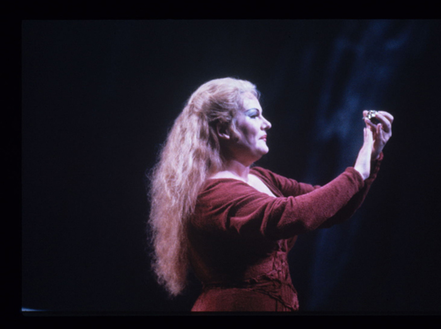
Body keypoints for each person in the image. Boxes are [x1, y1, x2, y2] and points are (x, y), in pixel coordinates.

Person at [147, 77, 393, 312]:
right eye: (254, 115)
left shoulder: (262, 178)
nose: (267, 123)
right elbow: (291, 214)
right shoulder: (210, 195)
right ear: (223, 129)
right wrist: (357, 172)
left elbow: (332, 207)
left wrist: (371, 156)